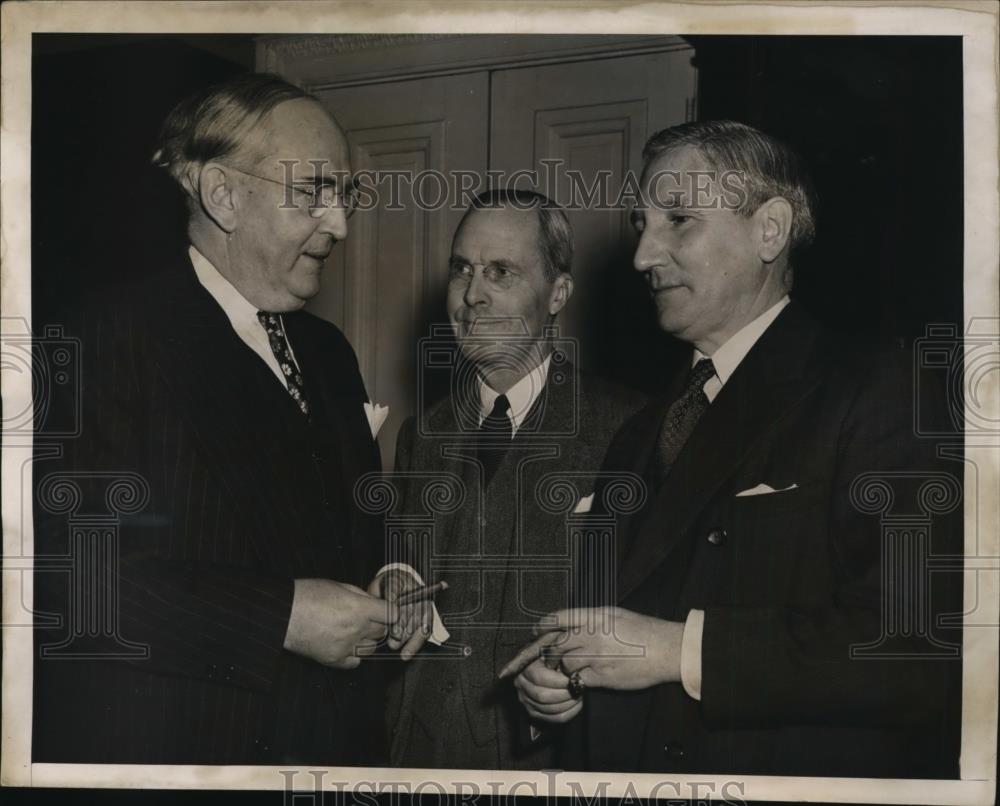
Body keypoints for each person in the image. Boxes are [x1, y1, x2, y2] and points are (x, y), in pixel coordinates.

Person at [502, 121, 962, 777]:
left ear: (769, 230)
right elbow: (617, 638)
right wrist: (560, 691)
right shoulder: (637, 433)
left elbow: (915, 651)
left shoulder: (879, 389)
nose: (642, 256)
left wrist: (679, 650)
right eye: (642, 224)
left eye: (679, 220)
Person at [32, 73, 421, 765]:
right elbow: (72, 585)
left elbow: (351, 526)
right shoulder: (106, 340)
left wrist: (389, 575)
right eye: (313, 193)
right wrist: (284, 619)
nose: (340, 224)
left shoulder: (328, 354)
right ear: (222, 194)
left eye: (345, 195)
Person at [386, 190, 645, 769]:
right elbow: (403, 560)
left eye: (501, 272)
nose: (472, 294)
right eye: (462, 270)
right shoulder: (420, 435)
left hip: (552, 760)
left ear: (558, 293)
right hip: (417, 751)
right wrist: (393, 578)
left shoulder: (629, 428)